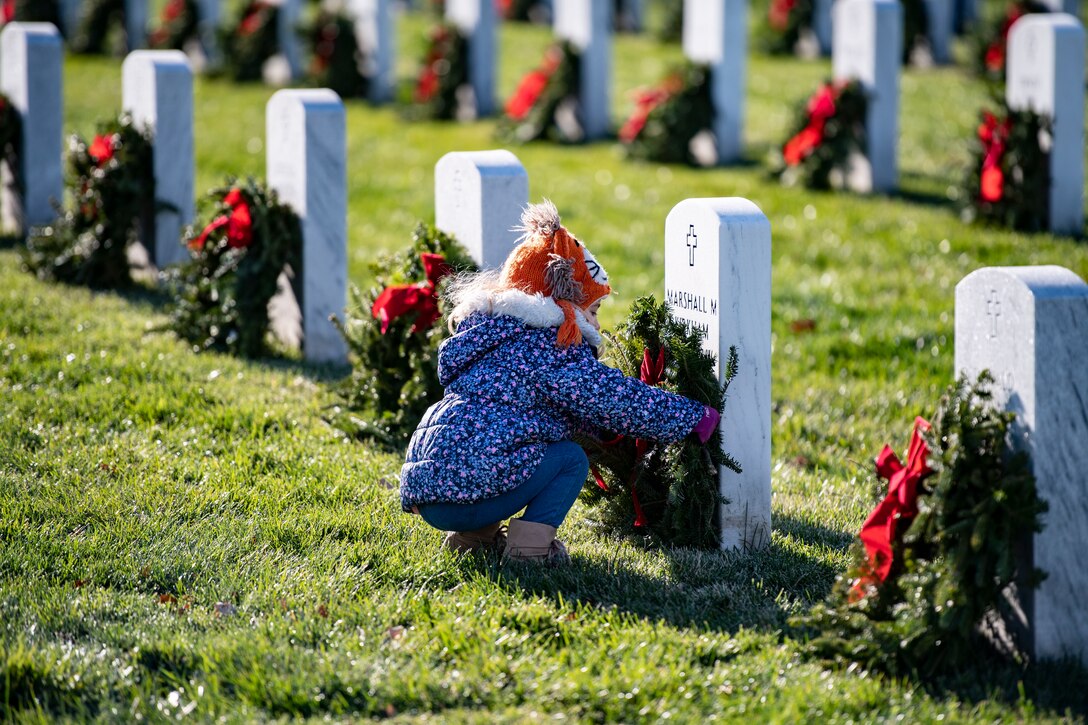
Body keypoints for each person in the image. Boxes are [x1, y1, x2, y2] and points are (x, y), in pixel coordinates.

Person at [399, 200, 721, 562]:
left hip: (428, 492)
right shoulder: (551, 344)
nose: (597, 325)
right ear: (563, 303)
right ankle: (529, 552)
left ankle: (470, 540)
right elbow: (612, 398)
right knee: (569, 459)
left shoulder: (491, 334)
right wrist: (692, 417)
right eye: (594, 311)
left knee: (496, 451)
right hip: (467, 492)